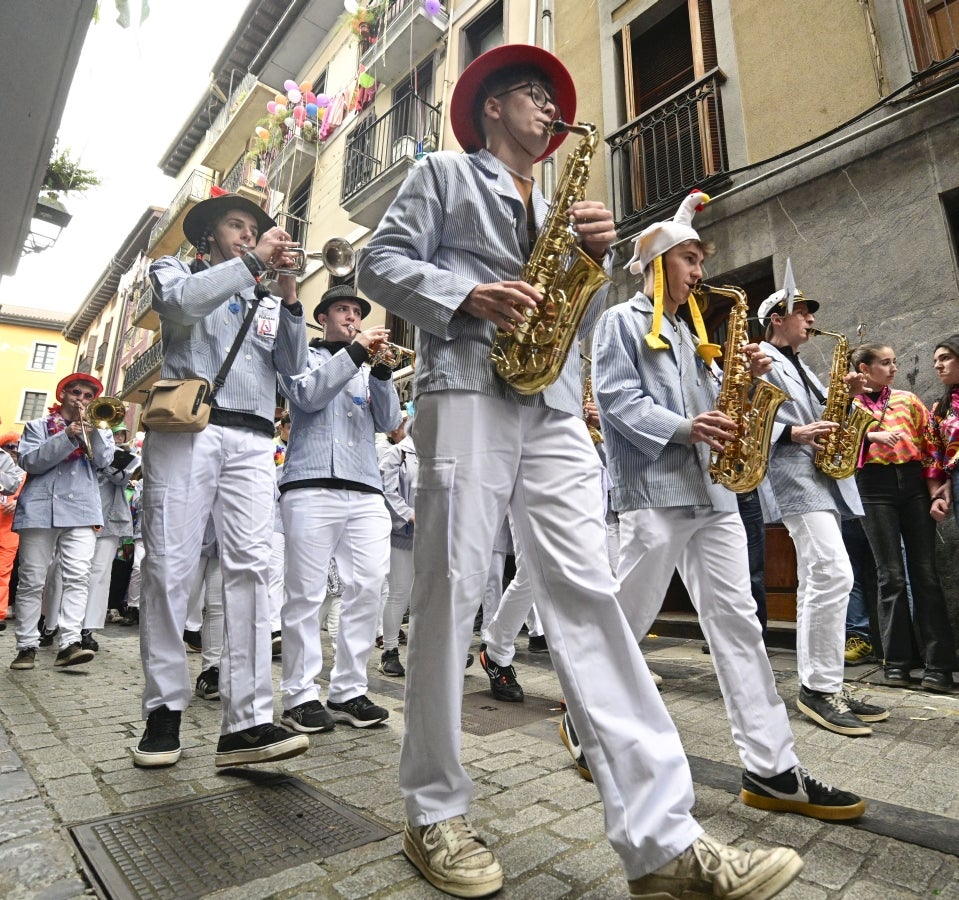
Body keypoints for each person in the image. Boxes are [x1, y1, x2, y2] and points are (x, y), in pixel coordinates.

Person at [357, 43, 803, 900]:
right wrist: (465, 296)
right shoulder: (444, 176)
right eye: (533, 95)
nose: (549, 112)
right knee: (450, 587)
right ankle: (433, 811)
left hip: (554, 402)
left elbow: (567, 310)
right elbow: (378, 264)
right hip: (465, 383)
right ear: (492, 106)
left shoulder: (562, 203)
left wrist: (593, 263)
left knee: (589, 596)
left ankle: (661, 840)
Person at [591, 191, 866, 820]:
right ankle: (589, 723)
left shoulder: (693, 337)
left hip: (713, 495)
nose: (698, 271)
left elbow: (725, 413)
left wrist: (742, 378)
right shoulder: (621, 323)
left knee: (740, 626)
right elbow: (618, 402)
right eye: (689, 259)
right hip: (656, 495)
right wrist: (690, 427)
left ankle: (773, 768)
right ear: (659, 263)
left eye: (698, 260)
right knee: (626, 621)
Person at [132, 191, 309, 769]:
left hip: (255, 438)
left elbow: (293, 367)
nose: (249, 234)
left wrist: (287, 297)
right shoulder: (176, 269)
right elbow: (181, 307)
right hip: (188, 430)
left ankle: (248, 721)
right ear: (209, 234)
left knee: (254, 571)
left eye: (255, 229)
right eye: (238, 225)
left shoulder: (261, 291)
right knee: (168, 566)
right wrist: (252, 264)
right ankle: (164, 709)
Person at [757, 280, 884, 735]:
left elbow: (823, 413)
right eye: (802, 312)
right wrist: (789, 434)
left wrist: (846, 396)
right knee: (832, 573)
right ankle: (818, 688)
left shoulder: (802, 366)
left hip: (822, 476)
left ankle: (825, 683)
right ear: (777, 318)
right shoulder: (760, 357)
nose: (811, 319)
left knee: (822, 576)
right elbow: (745, 412)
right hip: (794, 474)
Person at [277, 285, 401, 732]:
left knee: (368, 587)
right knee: (306, 594)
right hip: (310, 485)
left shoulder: (369, 370)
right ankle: (299, 694)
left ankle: (349, 689)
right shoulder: (304, 358)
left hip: (366, 488)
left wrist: (383, 374)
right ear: (323, 317)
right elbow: (307, 397)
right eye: (342, 310)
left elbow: (389, 424)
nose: (351, 316)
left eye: (356, 311)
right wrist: (354, 353)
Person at [850, 343, 956, 691]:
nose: (893, 368)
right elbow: (839, 446)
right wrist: (869, 437)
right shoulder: (849, 404)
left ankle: (938, 665)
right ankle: (896, 663)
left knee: (925, 573)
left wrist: (934, 492)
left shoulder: (909, 400)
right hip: (872, 485)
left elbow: (930, 446)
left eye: (895, 362)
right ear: (864, 369)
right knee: (890, 576)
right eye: (885, 363)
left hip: (913, 484)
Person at [10, 374, 114, 670]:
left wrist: (92, 434)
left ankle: (69, 642)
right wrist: (67, 435)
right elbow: (31, 462)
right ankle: (26, 645)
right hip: (40, 510)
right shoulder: (38, 427)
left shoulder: (101, 429)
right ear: (63, 394)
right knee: (32, 580)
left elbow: (104, 462)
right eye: (76, 392)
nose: (81, 398)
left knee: (79, 576)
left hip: (81, 510)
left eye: (88, 395)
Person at [931, 334, 959, 530]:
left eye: (945, 358)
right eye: (935, 361)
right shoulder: (941, 408)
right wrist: (949, 480)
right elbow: (939, 451)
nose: (937, 366)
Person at [0, 431, 25, 631]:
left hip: (10, 528)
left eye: (17, 446)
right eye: (9, 446)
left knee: (3, 571)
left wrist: (18, 503)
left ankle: (0, 613)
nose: (13, 451)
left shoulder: (26, 471)